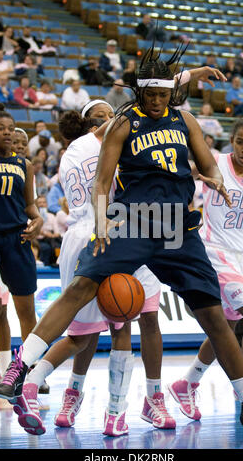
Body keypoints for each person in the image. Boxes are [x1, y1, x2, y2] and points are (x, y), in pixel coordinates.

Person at [0, 48, 243, 445]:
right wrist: (103, 217)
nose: (156, 102)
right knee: (82, 285)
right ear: (140, 93)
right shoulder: (124, 123)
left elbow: (207, 162)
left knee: (213, 316)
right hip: (133, 222)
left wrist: (216, 179)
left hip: (177, 229)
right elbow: (102, 182)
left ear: (169, 93)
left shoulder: (184, 119)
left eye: (162, 95)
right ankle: (22, 364)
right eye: (150, 96)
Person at [10, 104, 172, 437]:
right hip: (110, 231)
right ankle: (110, 409)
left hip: (95, 234)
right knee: (104, 328)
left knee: (90, 331)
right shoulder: (113, 141)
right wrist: (182, 80)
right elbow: (145, 104)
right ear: (92, 123)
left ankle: (37, 385)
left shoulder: (74, 150)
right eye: (103, 115)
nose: (110, 118)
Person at [168, 116, 243, 425]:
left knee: (225, 330)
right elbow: (179, 169)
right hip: (214, 252)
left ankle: (186, 384)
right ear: (232, 141)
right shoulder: (214, 162)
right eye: (240, 142)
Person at [0, 101, 43, 394]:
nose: (6, 133)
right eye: (1, 129)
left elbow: (30, 205)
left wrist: (38, 220)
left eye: (10, 129)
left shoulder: (24, 165)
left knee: (26, 311)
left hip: (17, 239)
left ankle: (28, 372)